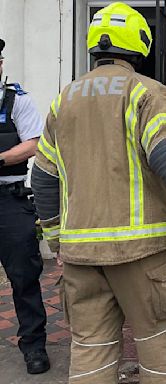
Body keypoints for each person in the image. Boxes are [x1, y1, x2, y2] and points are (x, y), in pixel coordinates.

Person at [31, 3, 166, 383]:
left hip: (81, 260)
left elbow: (43, 177)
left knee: (90, 356)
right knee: (162, 354)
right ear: (140, 46)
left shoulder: (65, 100)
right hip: (144, 257)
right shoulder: (146, 93)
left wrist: (58, 240)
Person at [0, 38, 50, 374]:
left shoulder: (17, 100)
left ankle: (33, 346)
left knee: (24, 277)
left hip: (9, 200)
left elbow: (33, 144)